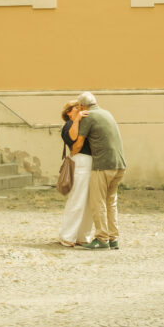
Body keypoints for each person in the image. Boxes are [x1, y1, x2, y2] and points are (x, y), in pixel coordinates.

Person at [72, 91, 126, 250]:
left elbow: (79, 143)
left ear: (82, 106)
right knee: (111, 202)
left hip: (103, 165)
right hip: (119, 164)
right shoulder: (106, 113)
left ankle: (102, 239)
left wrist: (72, 153)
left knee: (98, 202)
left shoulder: (88, 116)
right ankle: (113, 238)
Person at [58, 100, 93, 247]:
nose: (80, 109)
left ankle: (82, 236)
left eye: (81, 107)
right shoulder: (68, 125)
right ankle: (67, 236)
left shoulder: (82, 123)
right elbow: (73, 140)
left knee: (89, 203)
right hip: (80, 163)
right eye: (76, 108)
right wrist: (78, 118)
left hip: (89, 163)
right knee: (77, 201)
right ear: (68, 112)